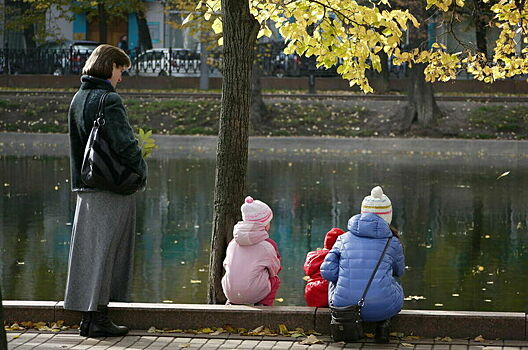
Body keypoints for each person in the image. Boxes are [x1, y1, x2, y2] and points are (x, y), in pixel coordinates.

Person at [64, 44, 147, 338]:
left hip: (86, 186)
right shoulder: (108, 100)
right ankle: (98, 318)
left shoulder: (78, 98)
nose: (121, 78)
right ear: (109, 66)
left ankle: (89, 319)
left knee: (89, 254)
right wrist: (140, 170)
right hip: (110, 187)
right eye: (120, 70)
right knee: (107, 254)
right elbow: (124, 144)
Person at [321, 186, 405, 343]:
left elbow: (326, 271)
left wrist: (348, 276)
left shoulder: (343, 239)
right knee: (394, 284)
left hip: (344, 306)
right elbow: (399, 272)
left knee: (335, 282)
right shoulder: (392, 242)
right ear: (388, 217)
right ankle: (383, 325)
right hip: (382, 307)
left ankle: (344, 324)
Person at [222, 196, 281, 306]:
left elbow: (226, 264)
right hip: (253, 293)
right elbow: (275, 269)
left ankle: (232, 303)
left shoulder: (233, 243)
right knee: (274, 280)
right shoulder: (267, 246)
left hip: (230, 293)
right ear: (265, 225)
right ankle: (265, 307)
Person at [303, 227, 345, 307]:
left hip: (312, 292)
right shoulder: (339, 257)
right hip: (328, 293)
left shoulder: (313, 256)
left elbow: (307, 270)